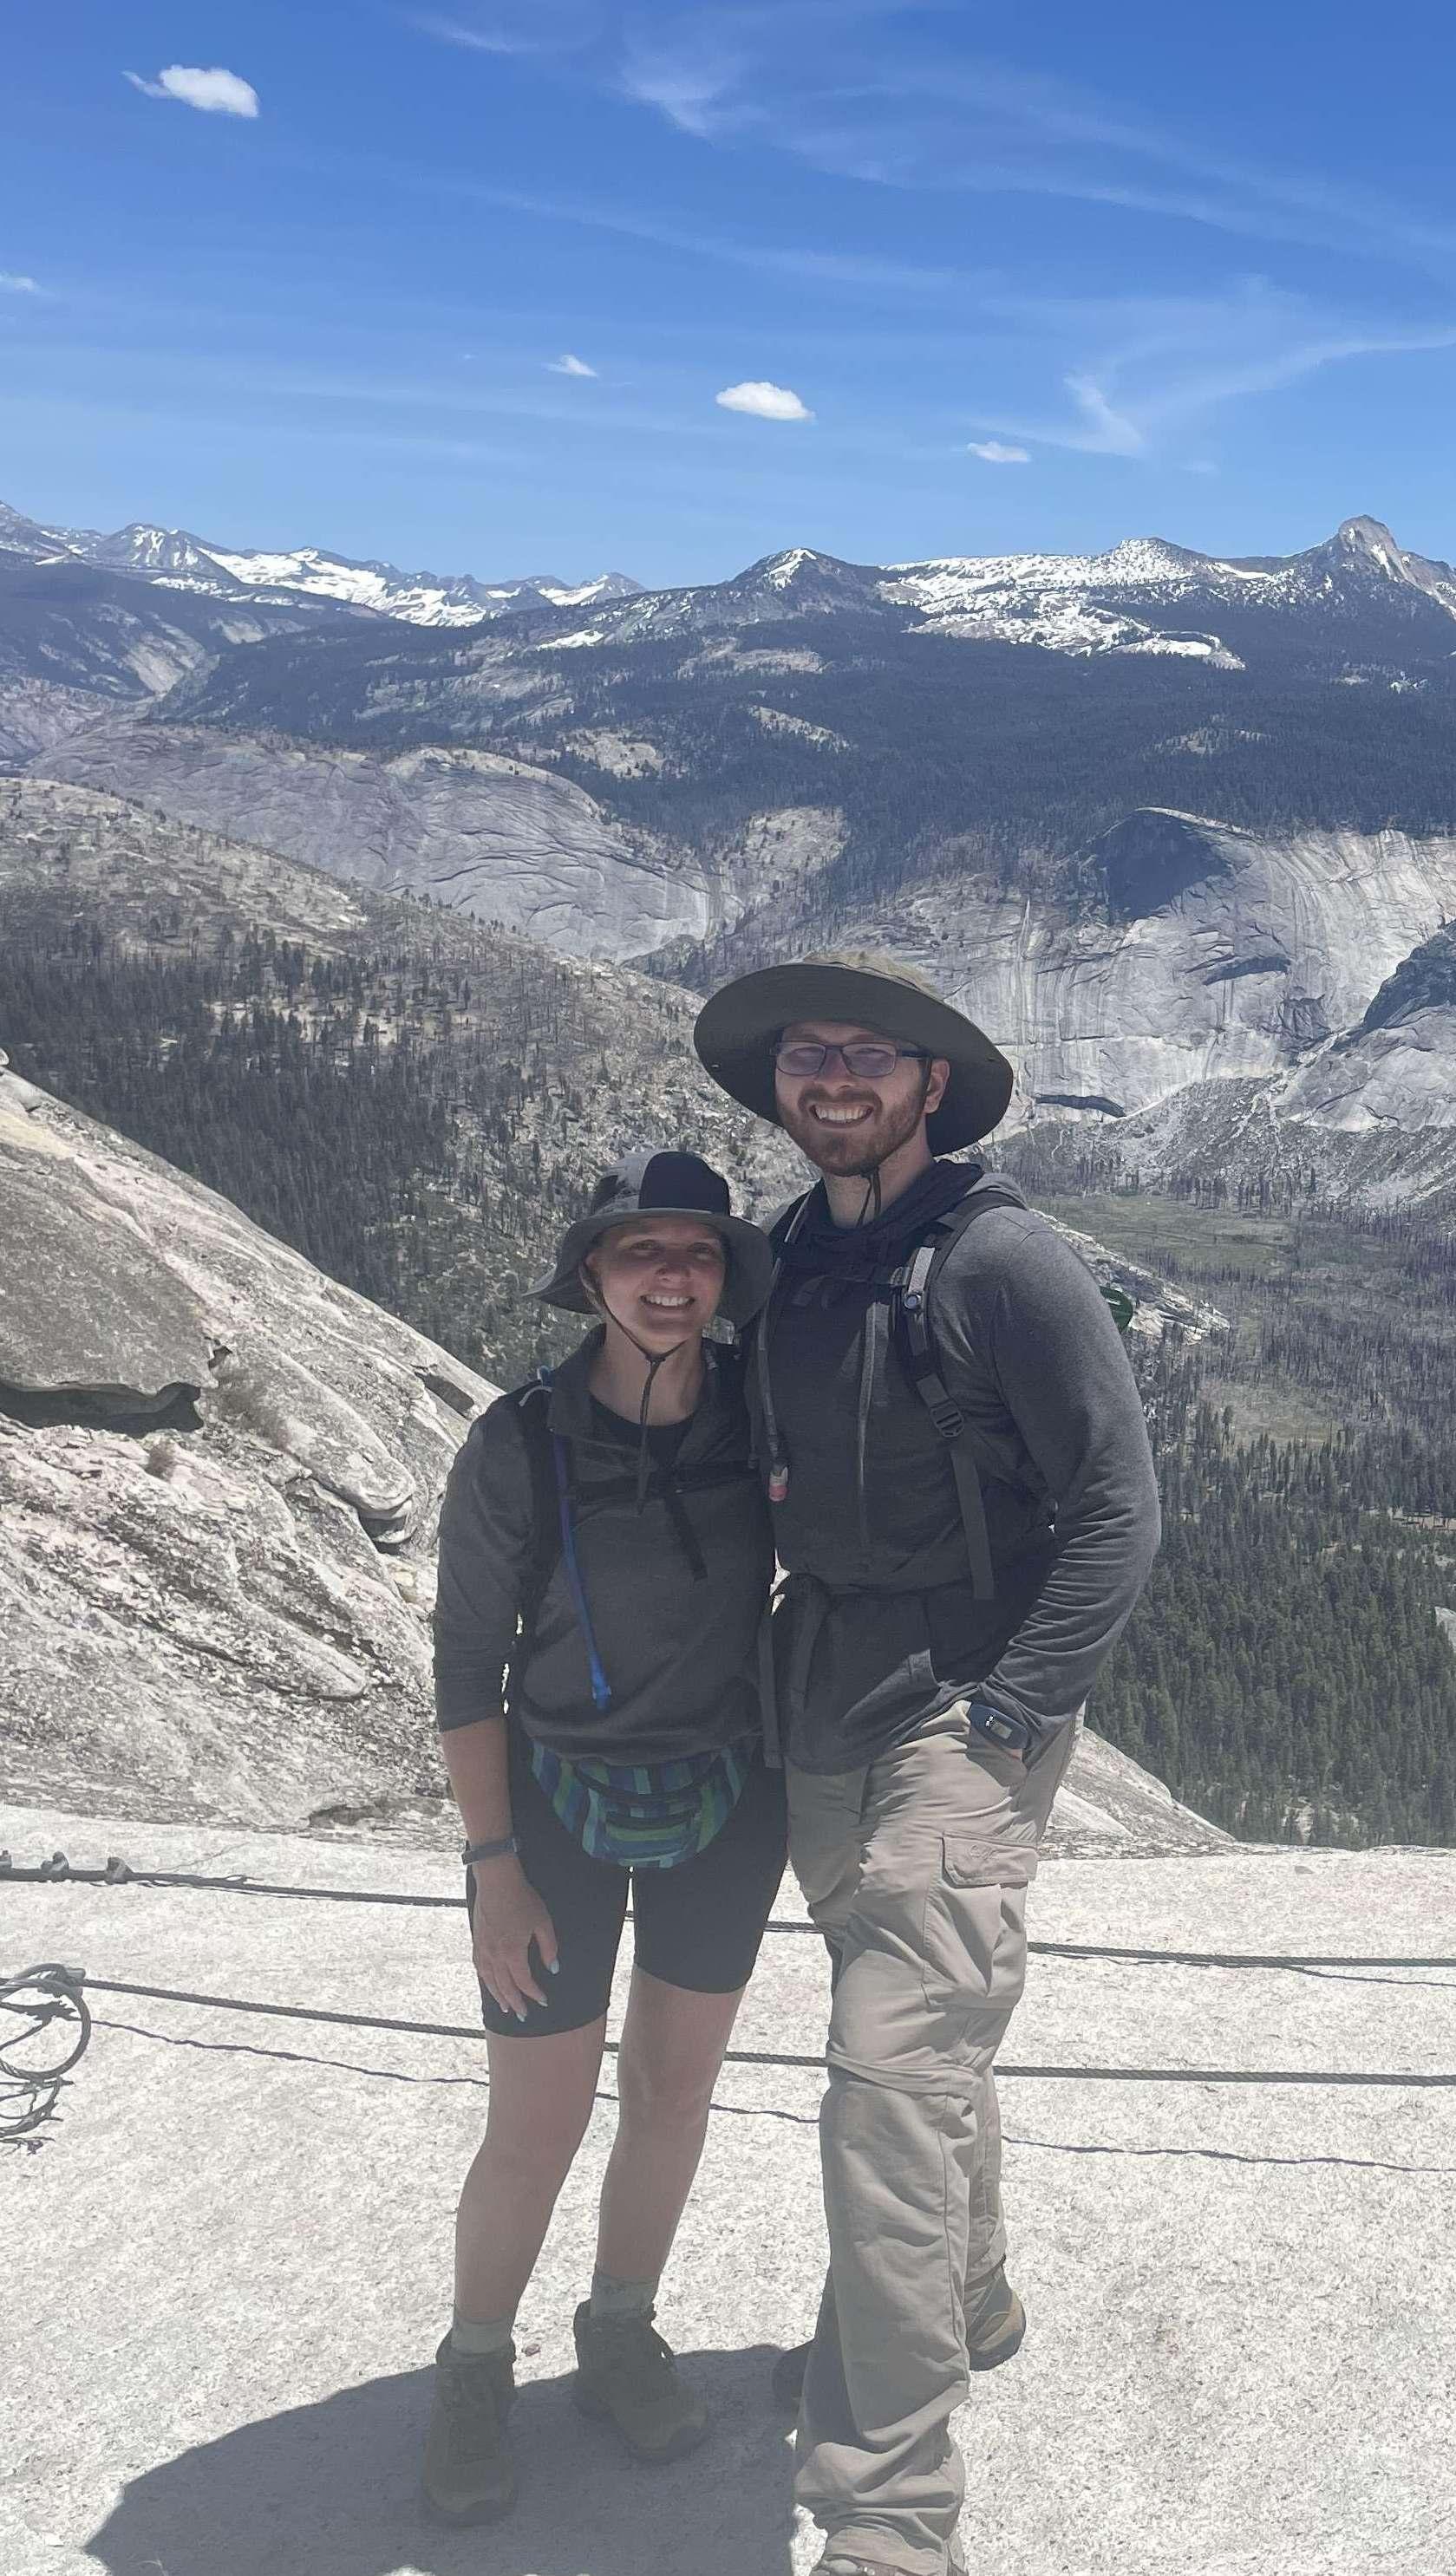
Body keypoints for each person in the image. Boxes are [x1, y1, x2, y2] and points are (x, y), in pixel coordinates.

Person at [690, 953, 1161, 2576]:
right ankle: (959, 2293)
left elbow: (1117, 1509)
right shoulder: (784, 1260)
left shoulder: (1003, 1260)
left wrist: (1018, 1712)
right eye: (808, 1057)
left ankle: (889, 2514)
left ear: (928, 1085)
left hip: (963, 1705)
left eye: (866, 1057)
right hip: (824, 1690)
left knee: (881, 2082)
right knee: (922, 2052)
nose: (832, 1079)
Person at [420, 1149, 787, 2527]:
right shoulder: (521, 1441)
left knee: (675, 2090)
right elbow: (467, 1665)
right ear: (592, 1277)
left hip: (726, 1799)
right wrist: (489, 1868)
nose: (672, 1278)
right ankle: (474, 2366)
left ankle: (617, 2329)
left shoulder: (760, 1417)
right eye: (642, 1254)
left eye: (696, 1254)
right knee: (539, 2123)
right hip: (555, 1809)